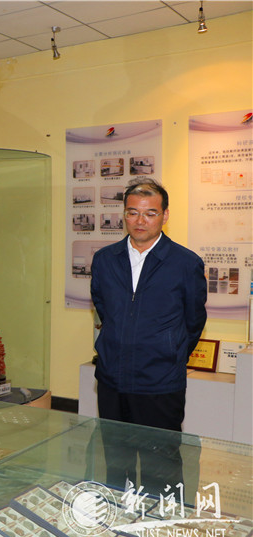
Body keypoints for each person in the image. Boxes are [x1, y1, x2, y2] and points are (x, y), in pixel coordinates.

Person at [90, 178, 207, 494]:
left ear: (164, 216)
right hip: (112, 381)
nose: (140, 221)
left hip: (160, 384)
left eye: (150, 213)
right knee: (117, 465)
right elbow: (105, 309)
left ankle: (161, 523)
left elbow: (194, 321)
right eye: (133, 212)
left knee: (161, 469)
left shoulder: (185, 263)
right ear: (124, 214)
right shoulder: (105, 259)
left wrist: (169, 353)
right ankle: (119, 519)